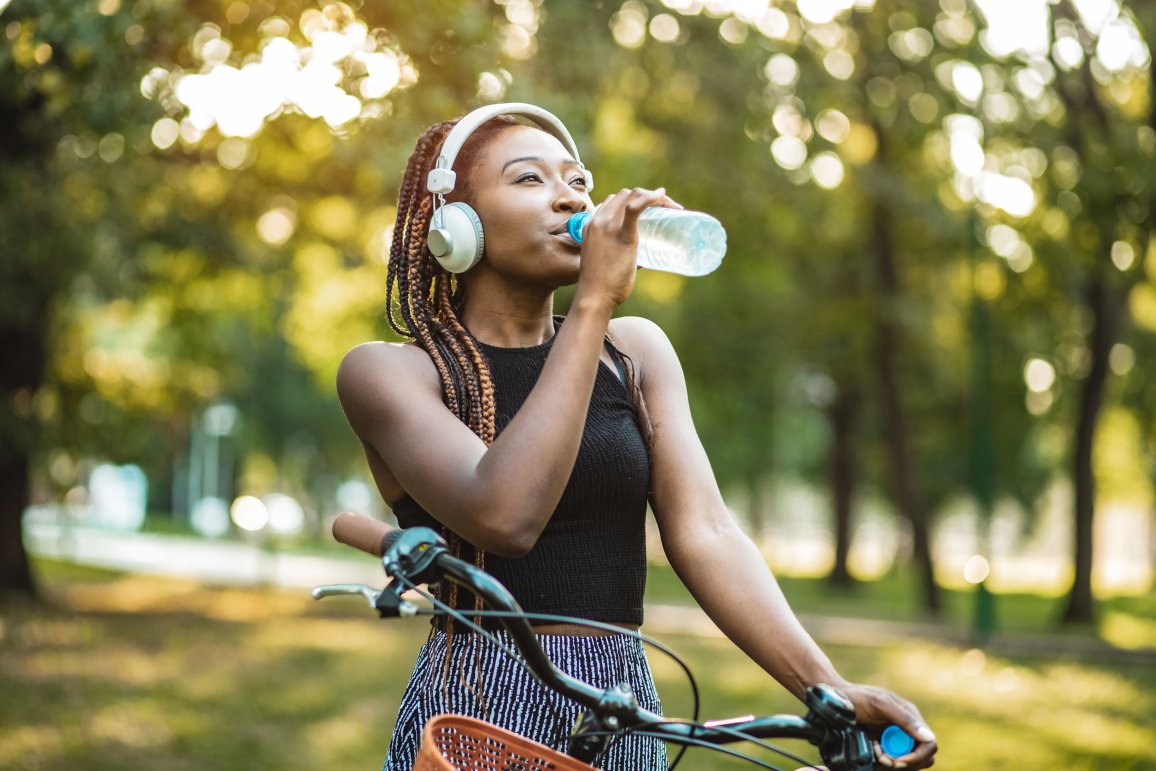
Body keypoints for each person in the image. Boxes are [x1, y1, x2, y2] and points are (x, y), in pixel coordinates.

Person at [335, 103, 938, 771]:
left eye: (577, 179)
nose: (569, 196)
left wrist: (830, 688)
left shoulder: (635, 352)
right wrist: (593, 301)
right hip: (476, 710)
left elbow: (706, 532)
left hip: (623, 702)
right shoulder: (390, 372)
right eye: (529, 179)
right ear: (455, 225)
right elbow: (503, 513)